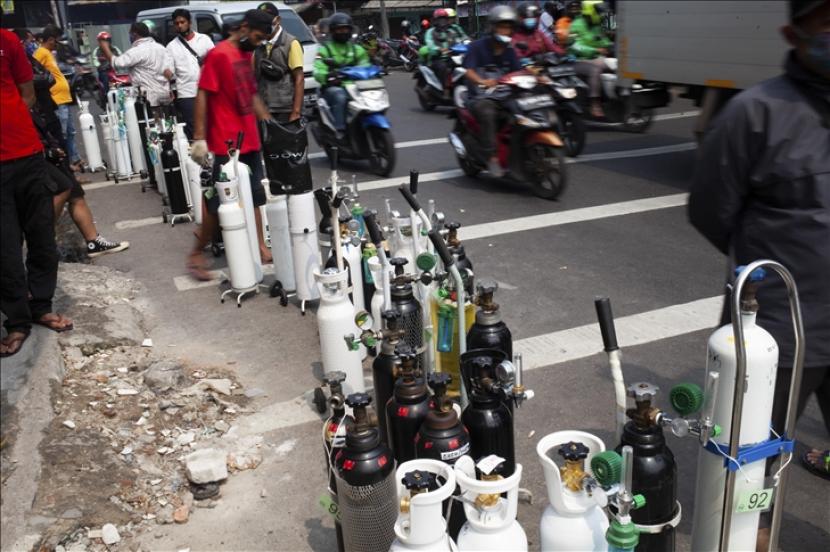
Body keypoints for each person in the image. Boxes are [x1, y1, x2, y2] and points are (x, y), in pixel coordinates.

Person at [688, 0, 830, 499]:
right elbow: (710, 212)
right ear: (794, 35)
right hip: (780, 335)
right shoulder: (755, 113)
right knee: (751, 464)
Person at [187, 9, 275, 280]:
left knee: (256, 197)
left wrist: (270, 123)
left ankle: (259, 244)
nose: (259, 43)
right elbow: (203, 94)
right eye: (258, 37)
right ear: (245, 27)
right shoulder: (219, 54)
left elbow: (250, 95)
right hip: (225, 142)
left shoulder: (246, 55)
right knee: (217, 203)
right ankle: (197, 254)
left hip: (249, 140)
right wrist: (199, 138)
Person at [1, 28, 73, 358]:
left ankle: (41, 306)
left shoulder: (7, 40)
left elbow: (27, 92)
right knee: (5, 249)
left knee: (43, 237)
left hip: (27, 155)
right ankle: (17, 321)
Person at [462, 5, 522, 177]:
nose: (506, 30)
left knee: (523, 113)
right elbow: (469, 71)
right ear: (493, 27)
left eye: (509, 27)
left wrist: (533, 75)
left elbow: (517, 71)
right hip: (480, 97)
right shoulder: (477, 47)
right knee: (488, 113)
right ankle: (492, 156)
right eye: (502, 26)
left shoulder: (510, 51)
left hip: (504, 96)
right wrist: (482, 81)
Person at [33, 24, 83, 172]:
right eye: (56, 41)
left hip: (63, 98)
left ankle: (74, 161)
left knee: (70, 133)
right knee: (61, 134)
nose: (58, 44)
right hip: (57, 98)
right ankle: (66, 166)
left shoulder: (48, 52)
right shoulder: (41, 52)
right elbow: (37, 74)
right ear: (50, 39)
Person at [313, 12, 370, 137]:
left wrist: (374, 69)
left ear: (350, 30)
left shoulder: (357, 49)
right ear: (333, 31)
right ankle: (340, 130)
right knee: (340, 96)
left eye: (345, 29)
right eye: (339, 29)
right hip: (334, 86)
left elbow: (366, 65)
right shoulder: (325, 50)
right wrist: (327, 75)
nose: (343, 32)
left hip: (356, 86)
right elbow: (318, 70)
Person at [97, 22, 174, 110]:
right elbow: (170, 73)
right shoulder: (162, 48)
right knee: (166, 121)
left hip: (148, 98)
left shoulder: (137, 51)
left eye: (130, 34)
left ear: (134, 34)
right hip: (165, 95)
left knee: (151, 122)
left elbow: (117, 63)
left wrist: (105, 47)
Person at [166, 8, 214, 137]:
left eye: (182, 22)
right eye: (176, 23)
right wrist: (166, 74)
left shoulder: (204, 40)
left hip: (208, 90)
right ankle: (200, 156)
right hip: (187, 93)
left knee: (213, 126)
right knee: (194, 129)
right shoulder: (171, 47)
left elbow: (215, 62)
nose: (180, 26)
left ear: (189, 22)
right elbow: (169, 71)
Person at [254, 2, 305, 123]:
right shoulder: (258, 45)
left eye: (266, 19)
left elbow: (299, 78)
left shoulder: (291, 43)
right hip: (264, 109)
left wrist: (296, 112)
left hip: (285, 109)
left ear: (277, 20)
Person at [568, 0, 613, 117]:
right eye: (598, 11)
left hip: (597, 58)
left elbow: (603, 39)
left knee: (618, 65)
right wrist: (595, 50)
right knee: (595, 70)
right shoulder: (576, 24)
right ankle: (595, 103)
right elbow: (574, 46)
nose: (600, 14)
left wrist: (607, 45)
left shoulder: (597, 24)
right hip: (581, 60)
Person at [424, 9, 464, 90]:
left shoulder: (451, 31)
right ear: (435, 20)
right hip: (437, 58)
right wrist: (439, 49)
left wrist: (464, 44)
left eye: (444, 19)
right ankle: (445, 89)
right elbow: (430, 45)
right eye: (440, 19)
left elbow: (458, 40)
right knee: (443, 67)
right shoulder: (430, 32)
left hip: (451, 57)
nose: (442, 22)